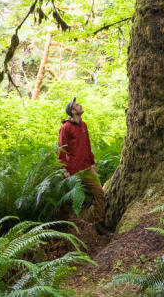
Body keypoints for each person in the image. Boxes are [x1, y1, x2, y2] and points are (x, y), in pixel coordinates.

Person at [57, 97, 108, 232]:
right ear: (73, 111)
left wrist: (92, 163)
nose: (80, 106)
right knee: (73, 201)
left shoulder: (83, 125)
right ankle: (70, 229)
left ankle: (99, 224)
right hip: (74, 170)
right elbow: (62, 148)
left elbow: (87, 146)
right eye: (77, 105)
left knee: (99, 192)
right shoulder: (65, 128)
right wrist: (64, 169)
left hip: (87, 168)